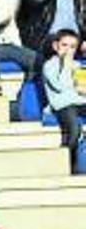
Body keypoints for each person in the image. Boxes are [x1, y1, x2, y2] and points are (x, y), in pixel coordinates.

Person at [42, 29, 86, 170]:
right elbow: (60, 85)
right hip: (63, 105)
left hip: (80, 102)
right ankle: (67, 163)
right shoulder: (50, 65)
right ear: (56, 46)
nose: (68, 50)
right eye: (64, 45)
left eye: (72, 47)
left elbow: (81, 87)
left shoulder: (77, 65)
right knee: (74, 130)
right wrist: (66, 65)